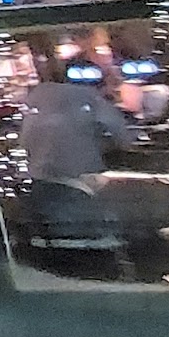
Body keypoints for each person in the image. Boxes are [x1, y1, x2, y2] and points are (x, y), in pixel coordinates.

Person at [19, 55, 139, 278]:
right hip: (74, 189)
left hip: (38, 186)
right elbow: (124, 138)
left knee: (52, 258)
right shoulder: (90, 99)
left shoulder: (35, 97)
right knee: (92, 259)